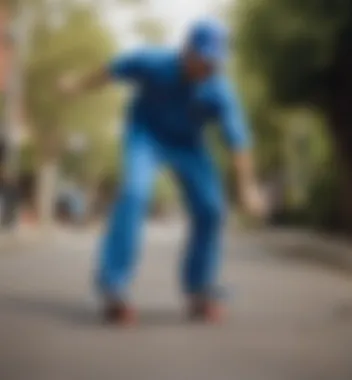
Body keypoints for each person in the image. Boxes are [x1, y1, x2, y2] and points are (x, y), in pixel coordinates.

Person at [58, 20, 265, 325]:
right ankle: (114, 285)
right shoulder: (153, 62)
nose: (208, 68)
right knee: (134, 192)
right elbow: (111, 70)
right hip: (145, 135)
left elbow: (239, 142)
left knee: (211, 208)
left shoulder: (218, 89)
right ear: (186, 50)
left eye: (214, 62)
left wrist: (248, 188)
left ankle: (199, 289)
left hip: (189, 144)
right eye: (203, 60)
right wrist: (76, 84)